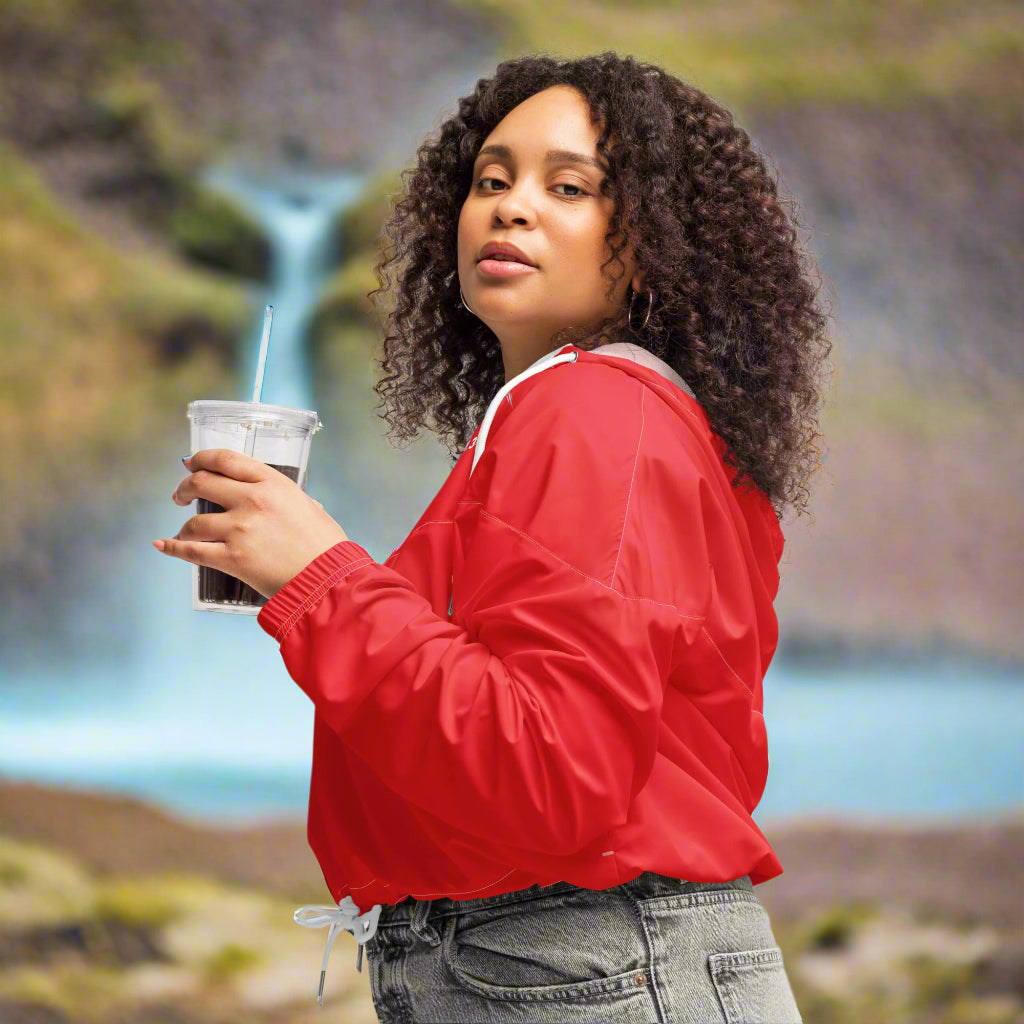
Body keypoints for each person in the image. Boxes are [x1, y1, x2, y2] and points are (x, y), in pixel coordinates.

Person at [156, 51, 832, 1024]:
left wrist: (321, 578)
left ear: (656, 237)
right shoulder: (596, 416)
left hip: (583, 966)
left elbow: (552, 776)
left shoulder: (591, 409)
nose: (511, 208)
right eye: (490, 179)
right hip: (566, 961)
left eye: (570, 186)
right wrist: (302, 581)